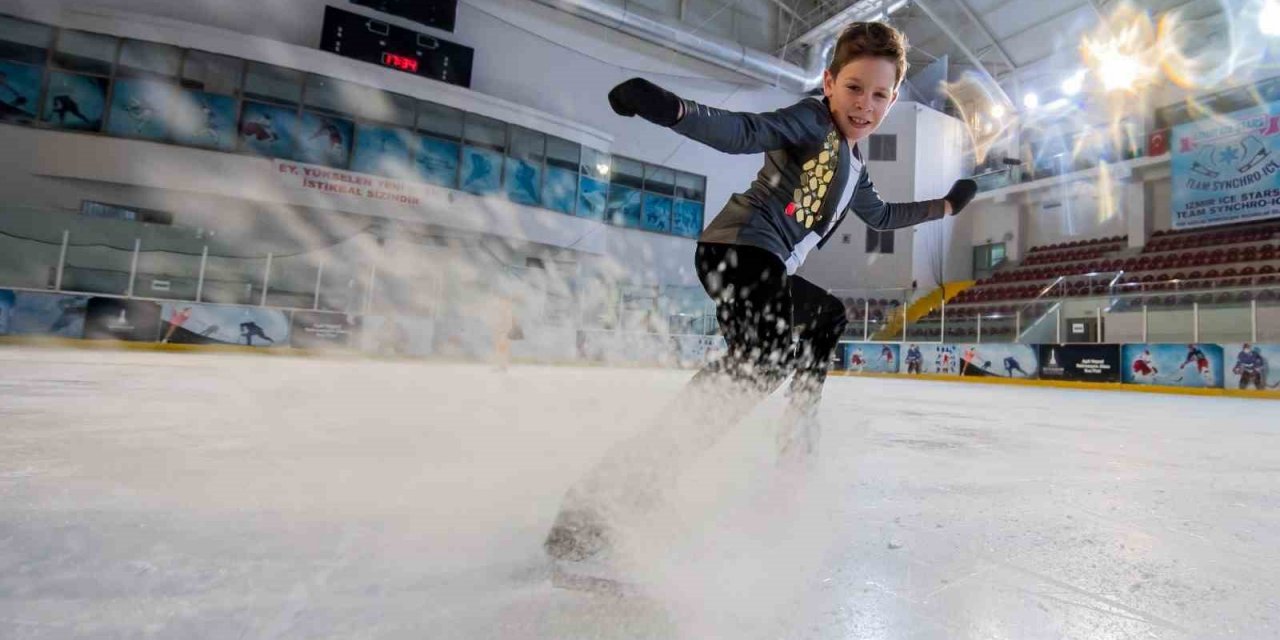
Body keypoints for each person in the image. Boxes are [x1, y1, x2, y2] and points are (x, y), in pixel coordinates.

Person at [544, 22, 977, 575]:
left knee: (824, 318)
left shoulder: (855, 168)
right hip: (741, 248)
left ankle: (793, 427)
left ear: (892, 99)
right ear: (828, 82)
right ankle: (607, 497)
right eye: (853, 87)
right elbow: (744, 130)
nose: (864, 105)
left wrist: (948, 206)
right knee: (762, 358)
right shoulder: (813, 120)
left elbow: (886, 217)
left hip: (764, 264)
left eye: (879, 94)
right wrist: (668, 109)